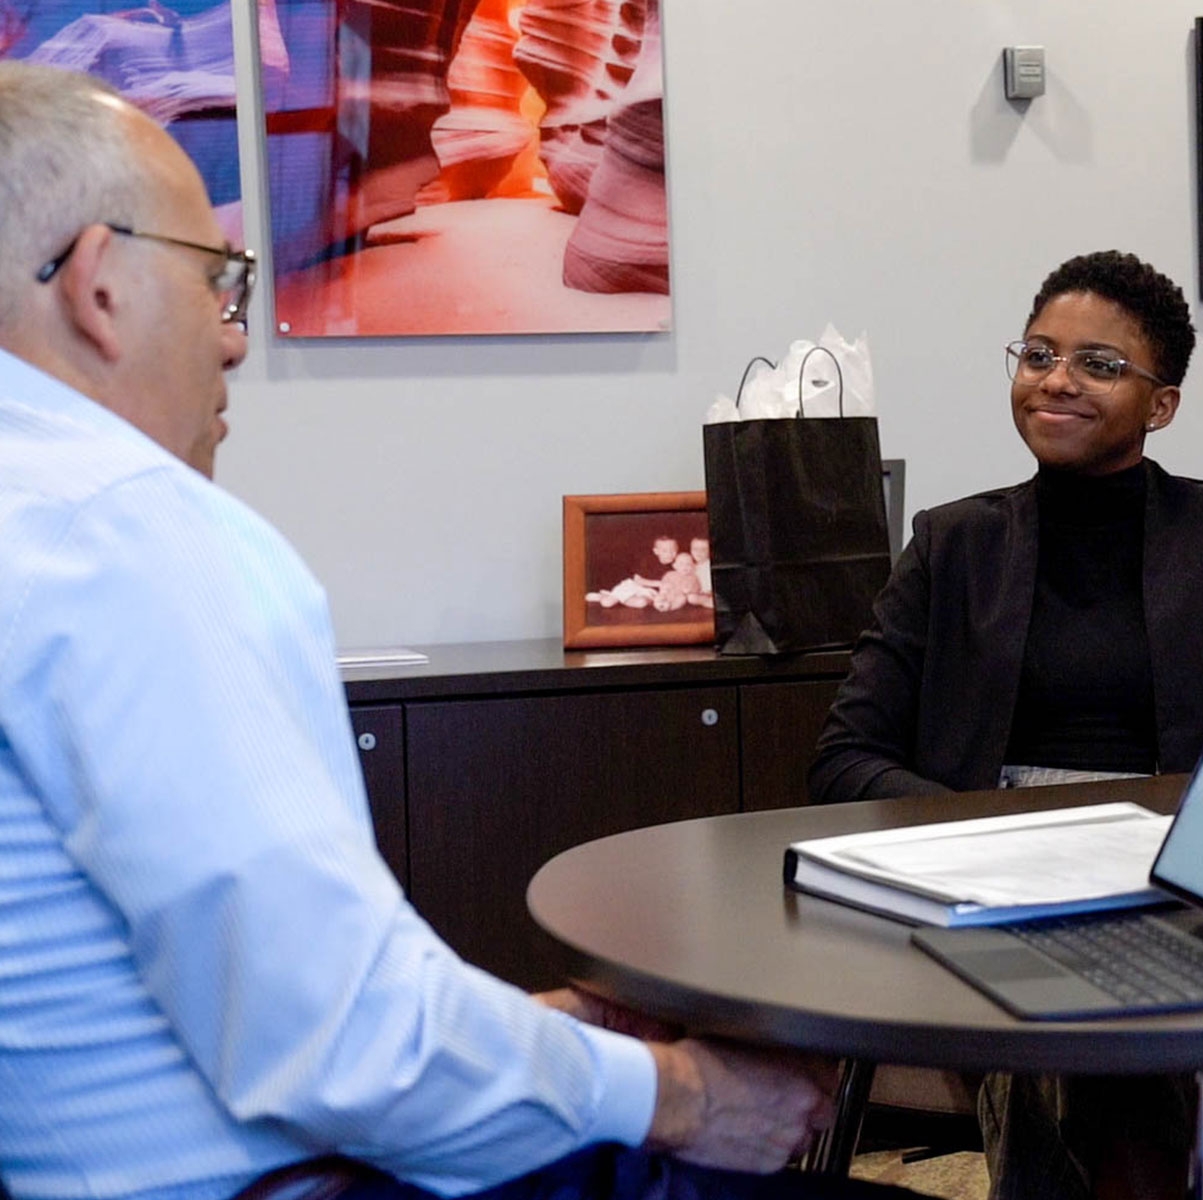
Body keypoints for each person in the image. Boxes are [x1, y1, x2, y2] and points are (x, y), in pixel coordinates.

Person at [0, 62, 920, 1200]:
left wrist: (545, 1037)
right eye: (219, 285)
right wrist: (683, 1091)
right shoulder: (132, 537)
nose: (233, 340)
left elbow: (202, 993)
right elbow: (350, 1049)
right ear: (99, 286)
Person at [809, 250, 1203, 1199]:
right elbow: (843, 761)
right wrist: (1002, 836)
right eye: (1039, 353)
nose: (1058, 380)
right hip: (990, 871)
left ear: (1160, 405)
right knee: (1058, 1000)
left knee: (1130, 998)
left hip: (1179, 866)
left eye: (1100, 364)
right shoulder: (953, 544)